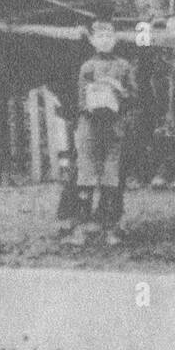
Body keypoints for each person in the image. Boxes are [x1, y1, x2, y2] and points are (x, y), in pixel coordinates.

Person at [66, 20, 137, 246]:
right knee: (85, 176)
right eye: (100, 37)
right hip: (90, 125)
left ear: (115, 40)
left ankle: (111, 228)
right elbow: (79, 99)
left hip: (114, 126)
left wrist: (118, 91)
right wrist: (93, 101)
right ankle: (81, 228)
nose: (105, 41)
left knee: (111, 177)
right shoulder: (87, 67)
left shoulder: (124, 66)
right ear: (93, 41)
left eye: (109, 37)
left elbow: (134, 97)